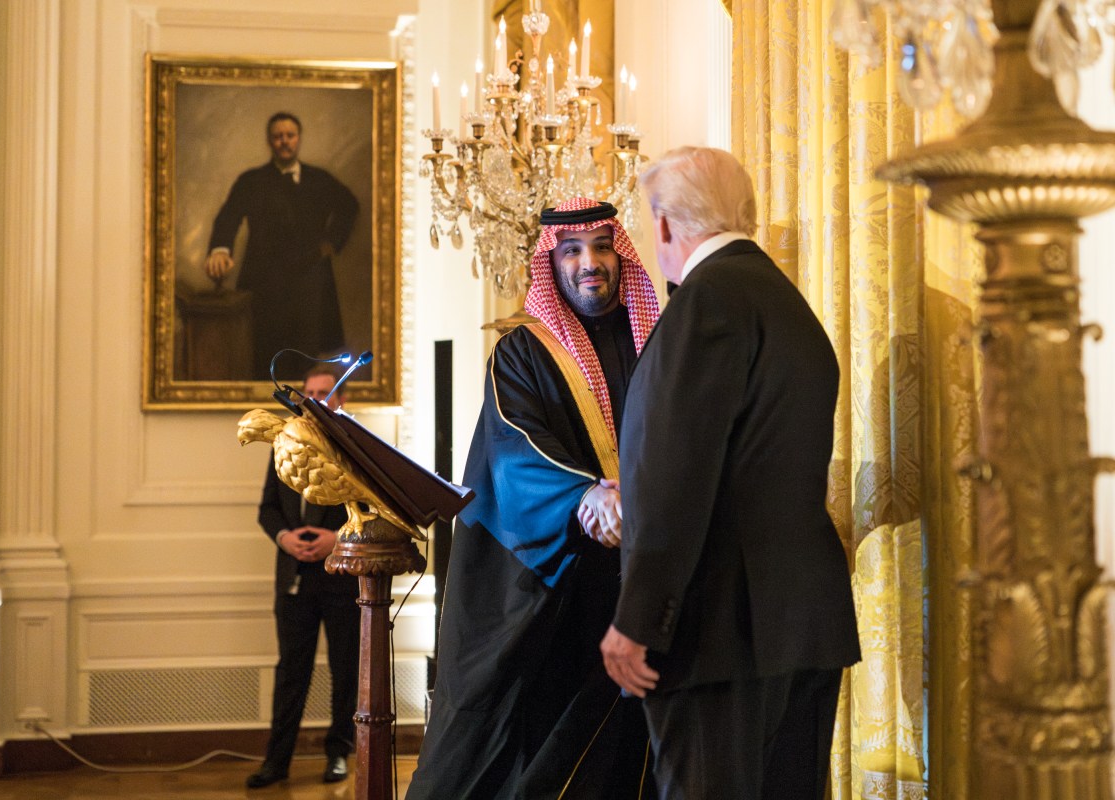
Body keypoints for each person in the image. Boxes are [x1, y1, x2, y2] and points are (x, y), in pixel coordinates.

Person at [600, 147, 861, 799]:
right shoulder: (790, 305)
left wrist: (637, 619)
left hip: (716, 631)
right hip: (802, 623)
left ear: (662, 225)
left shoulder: (704, 305)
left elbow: (676, 478)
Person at [407, 198, 661, 799]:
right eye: (572, 251)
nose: (590, 263)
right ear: (552, 263)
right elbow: (514, 447)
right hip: (560, 578)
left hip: (645, 571)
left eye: (602, 247)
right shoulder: (522, 351)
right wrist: (585, 497)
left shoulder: (652, 340)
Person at [246, 366, 359, 789]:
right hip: (294, 576)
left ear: (339, 399)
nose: (312, 399)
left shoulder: (354, 446)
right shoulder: (283, 443)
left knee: (346, 670)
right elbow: (267, 508)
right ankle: (277, 762)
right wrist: (284, 537)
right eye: (307, 392)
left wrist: (336, 539)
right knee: (291, 671)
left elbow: (367, 507)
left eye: (322, 393)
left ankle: (338, 756)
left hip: (340, 576)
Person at [204, 112, 359, 380]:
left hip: (310, 283)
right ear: (269, 141)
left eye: (290, 136)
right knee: (265, 357)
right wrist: (220, 249)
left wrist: (331, 243)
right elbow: (229, 216)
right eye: (278, 137)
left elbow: (349, 206)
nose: (284, 142)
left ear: (298, 139)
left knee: (306, 358)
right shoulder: (251, 181)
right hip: (265, 284)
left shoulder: (319, 179)